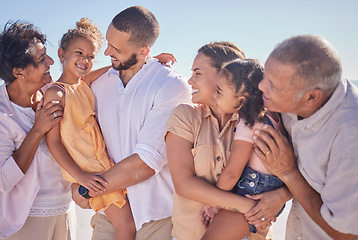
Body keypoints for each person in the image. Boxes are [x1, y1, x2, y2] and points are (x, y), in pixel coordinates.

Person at [70, 6, 191, 240]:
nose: (107, 52)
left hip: (157, 218)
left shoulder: (171, 86)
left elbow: (145, 163)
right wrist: (78, 183)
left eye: (116, 49)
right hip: (109, 215)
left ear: (144, 51)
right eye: (108, 43)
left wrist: (87, 191)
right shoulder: (98, 84)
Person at [165, 42, 291, 240]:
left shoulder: (250, 119)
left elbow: (291, 168)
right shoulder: (185, 116)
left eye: (198, 73)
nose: (190, 81)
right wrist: (254, 208)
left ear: (225, 75)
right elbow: (184, 184)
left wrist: (281, 196)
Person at [252, 35, 358, 239]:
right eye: (265, 76)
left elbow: (346, 234)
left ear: (311, 97)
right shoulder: (294, 96)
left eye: (273, 85)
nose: (261, 86)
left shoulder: (349, 139)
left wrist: (288, 173)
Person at [0, 21, 74, 239]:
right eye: (42, 59)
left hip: (66, 210)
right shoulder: (2, 115)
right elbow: (4, 181)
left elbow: (86, 79)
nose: (51, 62)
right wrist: (37, 130)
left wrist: (143, 61)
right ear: (18, 71)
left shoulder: (51, 93)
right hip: (25, 222)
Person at [200, 59, 287, 240]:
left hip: (252, 192)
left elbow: (232, 172)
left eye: (219, 91)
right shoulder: (275, 116)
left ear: (241, 100)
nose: (215, 96)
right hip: (271, 193)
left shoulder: (249, 123)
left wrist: (214, 203)